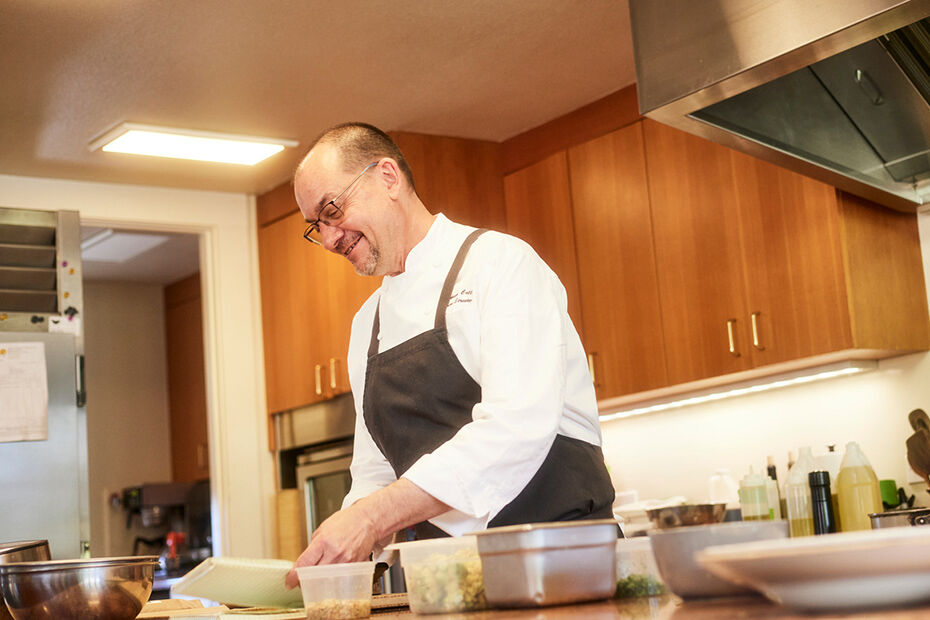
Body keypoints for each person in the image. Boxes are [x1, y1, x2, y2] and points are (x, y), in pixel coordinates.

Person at [285, 122, 614, 587]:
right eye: (316, 227)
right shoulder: (367, 324)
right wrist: (337, 560)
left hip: (561, 567)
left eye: (332, 211)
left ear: (388, 178)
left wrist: (372, 519)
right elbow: (374, 471)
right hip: (446, 585)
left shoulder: (500, 264)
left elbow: (515, 427)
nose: (329, 239)